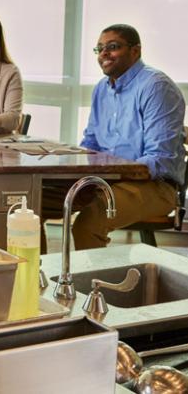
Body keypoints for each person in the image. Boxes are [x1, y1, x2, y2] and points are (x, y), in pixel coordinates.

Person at [41, 24, 186, 250]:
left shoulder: (156, 87)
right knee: (32, 204)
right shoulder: (102, 89)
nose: (104, 54)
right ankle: (31, 282)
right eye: (99, 49)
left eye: (113, 47)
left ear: (135, 51)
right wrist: (71, 165)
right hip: (109, 179)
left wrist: (111, 176)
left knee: (89, 223)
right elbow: (91, 142)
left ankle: (92, 285)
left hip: (155, 186)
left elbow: (160, 159)